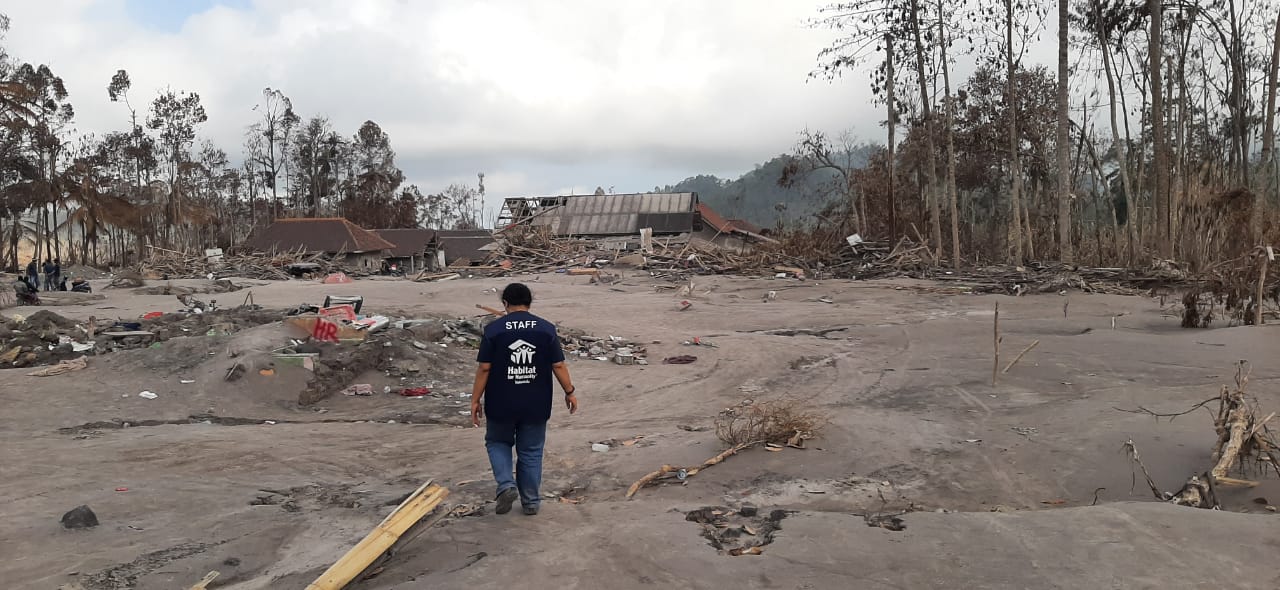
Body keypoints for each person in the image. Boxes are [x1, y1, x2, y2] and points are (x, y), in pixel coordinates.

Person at [471, 283, 577, 516]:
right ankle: (530, 502)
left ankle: (506, 485)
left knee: (498, 442)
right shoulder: (546, 329)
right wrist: (569, 391)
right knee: (530, 451)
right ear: (529, 303)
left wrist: (475, 400)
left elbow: (485, 368)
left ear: (505, 304)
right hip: (536, 402)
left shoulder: (494, 330)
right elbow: (558, 364)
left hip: (501, 401)